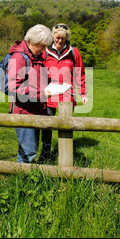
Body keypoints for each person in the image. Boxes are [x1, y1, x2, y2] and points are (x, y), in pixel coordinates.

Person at [40, 23, 88, 163]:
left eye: (63, 38)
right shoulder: (45, 52)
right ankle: (46, 153)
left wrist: (83, 93)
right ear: (52, 36)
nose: (60, 41)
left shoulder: (74, 52)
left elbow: (80, 74)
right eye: (57, 37)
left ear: (67, 38)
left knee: (66, 126)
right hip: (49, 96)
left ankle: (65, 156)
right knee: (47, 127)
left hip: (67, 97)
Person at [7, 24, 53, 163]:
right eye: (43, 46)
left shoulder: (36, 56)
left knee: (31, 149)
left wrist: (53, 83)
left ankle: (24, 180)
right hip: (25, 112)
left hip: (35, 109)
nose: (45, 50)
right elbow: (14, 87)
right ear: (33, 42)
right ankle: (22, 181)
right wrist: (42, 93)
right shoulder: (19, 58)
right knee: (28, 153)